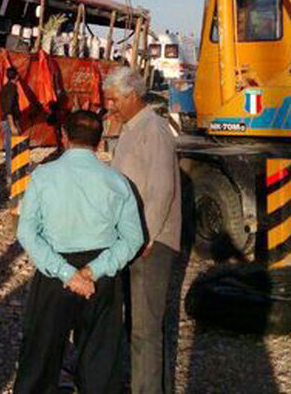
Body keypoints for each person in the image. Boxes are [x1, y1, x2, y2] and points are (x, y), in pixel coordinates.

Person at [13, 110, 143, 394]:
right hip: (102, 275)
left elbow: (27, 233)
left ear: (64, 137)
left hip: (54, 273)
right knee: (101, 361)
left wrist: (67, 274)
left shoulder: (43, 177)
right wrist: (92, 271)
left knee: (40, 358)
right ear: (98, 143)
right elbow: (134, 238)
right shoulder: (117, 182)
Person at [104, 66, 182, 394]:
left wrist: (146, 235)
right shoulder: (131, 128)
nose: (110, 106)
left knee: (145, 330)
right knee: (137, 325)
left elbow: (162, 188)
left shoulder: (154, 129)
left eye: (114, 100)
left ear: (133, 95)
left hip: (151, 242)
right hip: (133, 239)